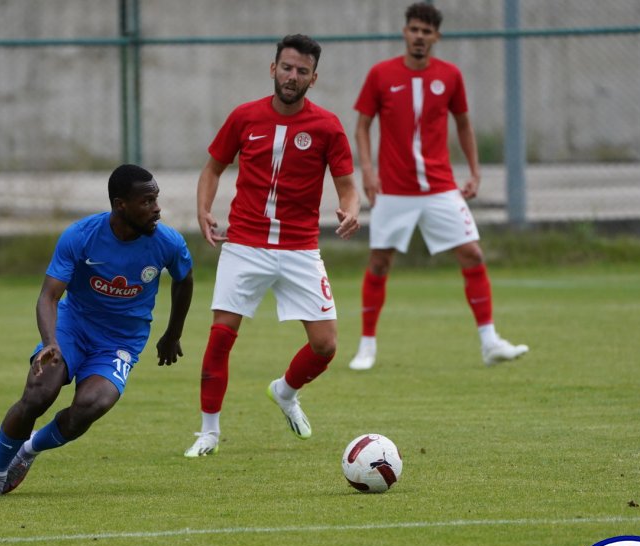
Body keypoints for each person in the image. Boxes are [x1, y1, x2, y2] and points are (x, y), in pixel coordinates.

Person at [183, 34, 360, 458]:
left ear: (313, 78)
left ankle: (285, 391)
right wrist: (203, 210)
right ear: (273, 69)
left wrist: (351, 209)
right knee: (221, 337)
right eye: (286, 67)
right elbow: (212, 169)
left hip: (300, 248)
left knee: (326, 346)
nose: (292, 76)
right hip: (244, 244)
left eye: (301, 71)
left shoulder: (327, 126)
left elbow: (347, 187)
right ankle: (208, 432)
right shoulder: (244, 117)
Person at [0, 164, 194, 498]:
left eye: (156, 199)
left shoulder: (167, 243)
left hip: (121, 341)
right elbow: (48, 296)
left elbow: (184, 279)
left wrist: (172, 333)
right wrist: (50, 343)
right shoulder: (81, 236)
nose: (157, 208)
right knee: (39, 393)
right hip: (72, 327)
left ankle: (28, 450)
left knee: (90, 407)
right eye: (147, 201)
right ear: (121, 205)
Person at [347, 2, 528, 371]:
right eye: (414, 29)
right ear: (405, 32)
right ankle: (366, 346)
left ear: (436, 37)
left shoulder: (450, 75)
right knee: (380, 263)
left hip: (440, 188)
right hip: (393, 191)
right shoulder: (381, 74)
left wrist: (475, 172)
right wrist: (367, 170)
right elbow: (363, 126)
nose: (419, 37)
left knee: (473, 255)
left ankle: (490, 341)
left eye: (426, 32)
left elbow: (464, 124)